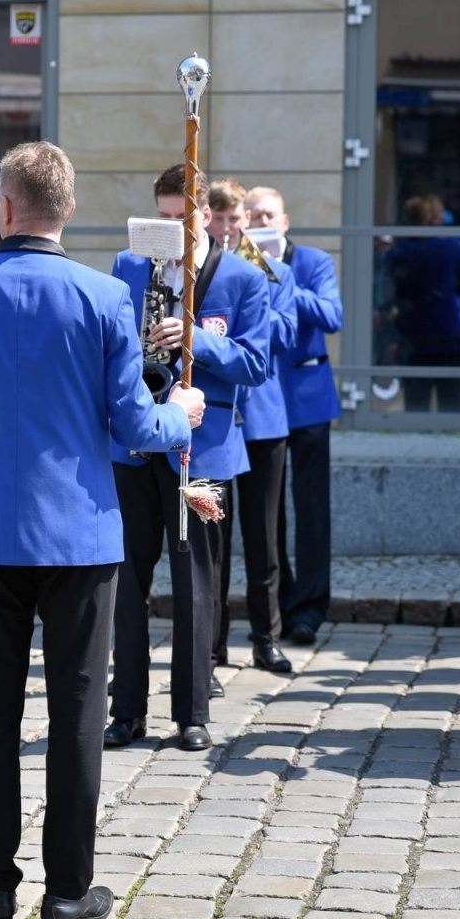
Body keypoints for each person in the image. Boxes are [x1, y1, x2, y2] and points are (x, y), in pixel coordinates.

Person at [0, 141, 202, 919]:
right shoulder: (104, 296)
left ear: (4, 207)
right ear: (68, 210)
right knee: (78, 714)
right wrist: (181, 414)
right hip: (79, 532)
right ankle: (70, 892)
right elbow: (130, 424)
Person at [106, 165, 270, 753]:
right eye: (163, 218)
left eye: (182, 219)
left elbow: (256, 364)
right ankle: (125, 710)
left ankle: (191, 712)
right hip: (134, 441)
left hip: (203, 450)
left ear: (204, 215)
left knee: (196, 582)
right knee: (126, 581)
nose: (172, 230)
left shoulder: (244, 279)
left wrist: (200, 339)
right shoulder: (130, 267)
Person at [246, 187, 343, 648]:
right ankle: (278, 606)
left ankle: (310, 608)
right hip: (263, 403)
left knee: (310, 508)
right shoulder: (237, 263)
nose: (261, 221)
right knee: (267, 514)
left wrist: (279, 279)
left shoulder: (313, 261)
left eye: (268, 215)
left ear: (284, 222)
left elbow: (332, 315)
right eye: (253, 215)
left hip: (306, 401)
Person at [207, 179, 297, 676]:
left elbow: (284, 333)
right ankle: (212, 645)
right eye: (217, 219)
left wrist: (254, 289)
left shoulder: (274, 272)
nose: (226, 228)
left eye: (233, 220)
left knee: (264, 537)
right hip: (217, 422)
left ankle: (267, 638)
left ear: (245, 222)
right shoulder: (200, 274)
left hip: (261, 419)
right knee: (212, 539)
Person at [383, 194, 460, 412]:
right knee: (452, 399)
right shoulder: (453, 248)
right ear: (434, 218)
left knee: (416, 400)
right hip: (450, 330)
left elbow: (389, 295)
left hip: (412, 330)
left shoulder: (398, 252)